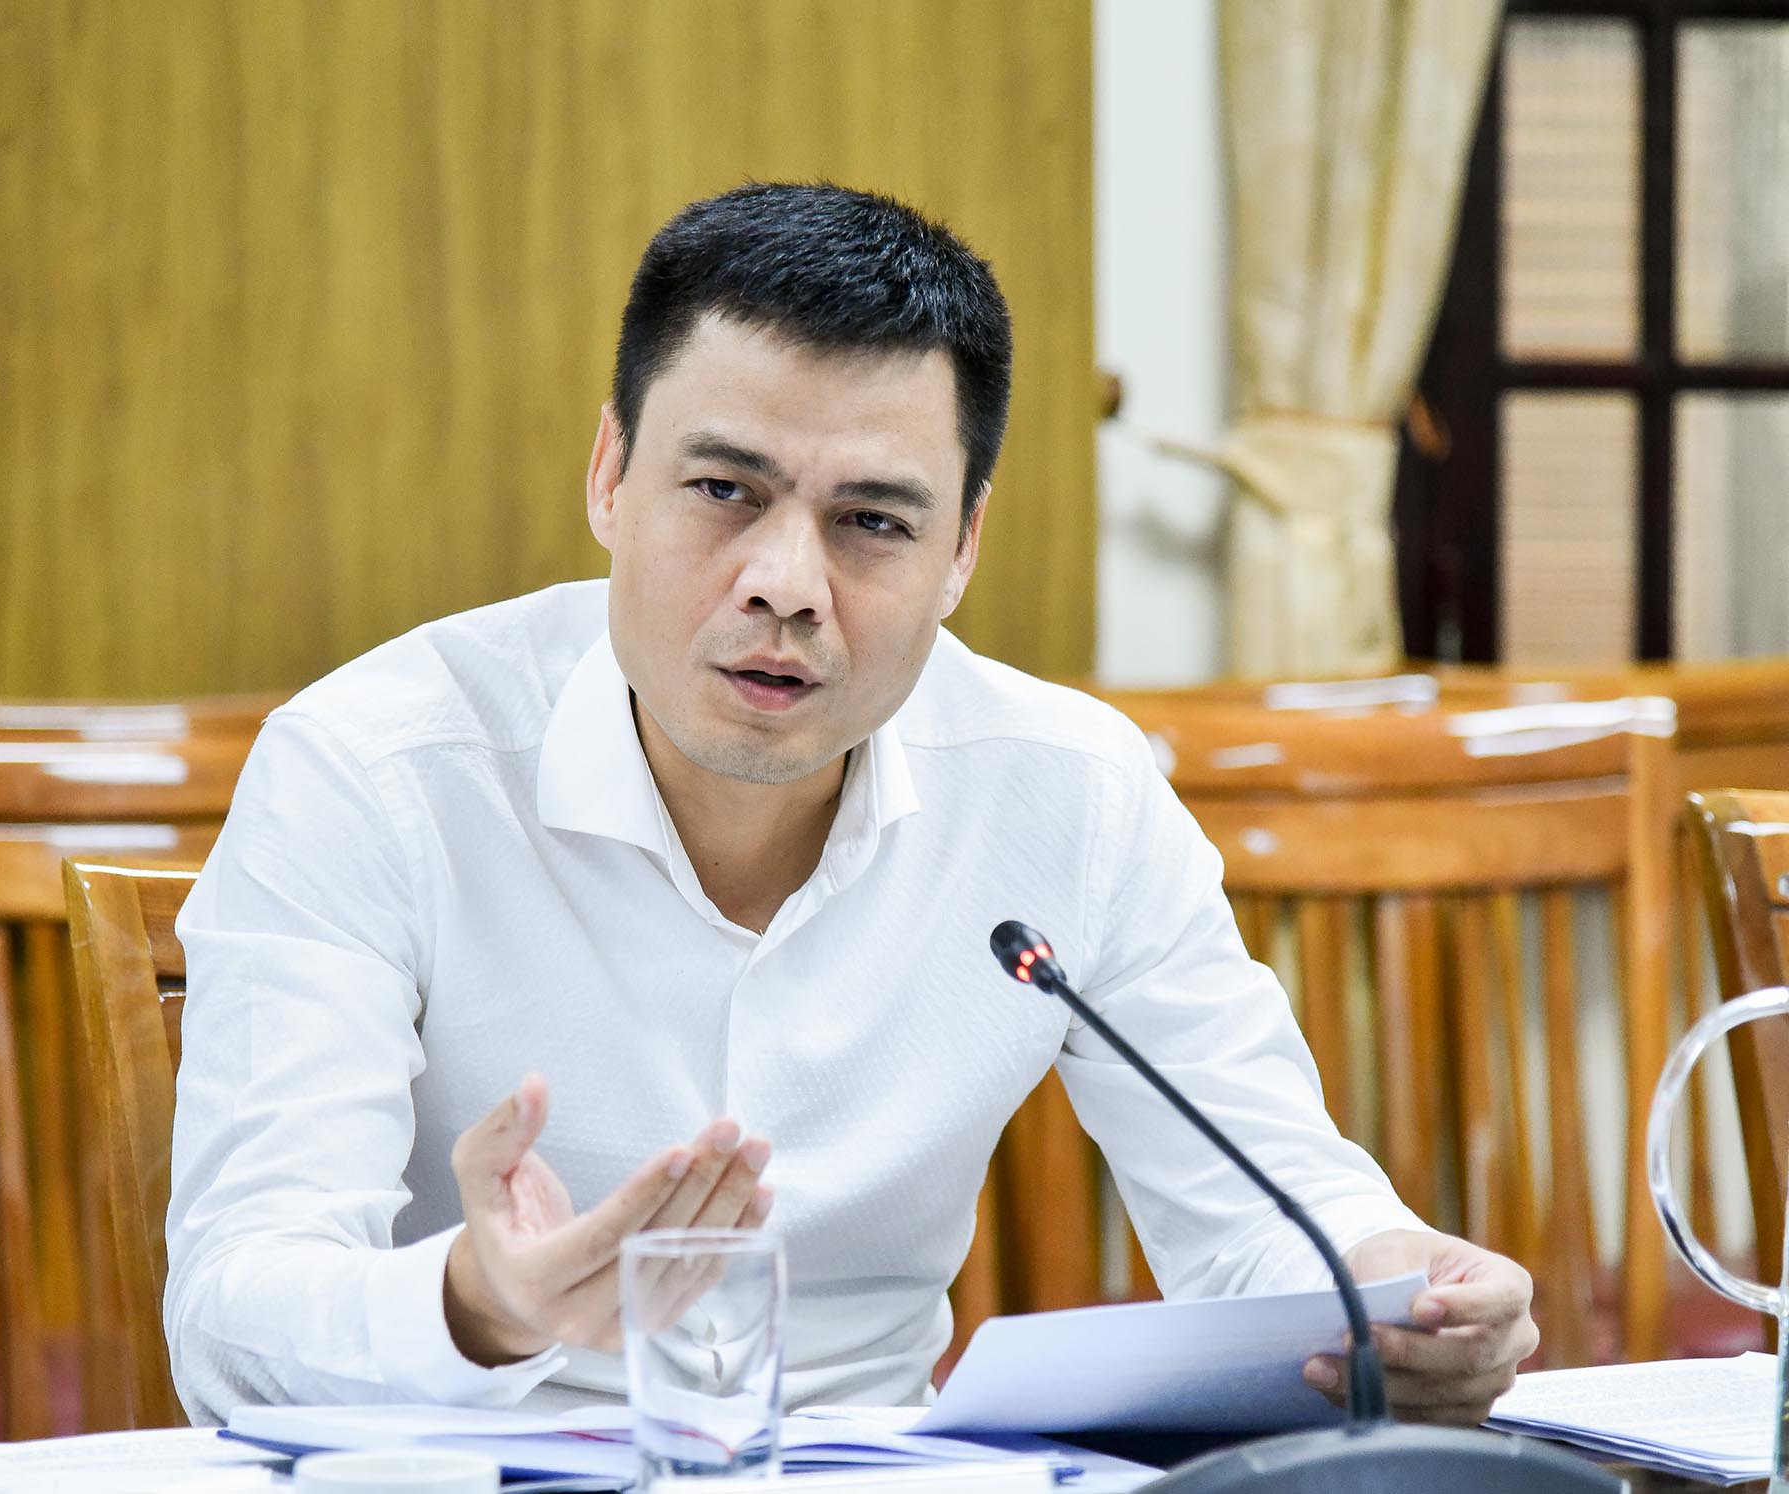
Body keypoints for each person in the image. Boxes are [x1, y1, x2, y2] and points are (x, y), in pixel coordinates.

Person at [164, 182, 1537, 1428]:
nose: (786, 584)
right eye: (724, 490)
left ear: (964, 546)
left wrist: (1400, 1287)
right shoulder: (368, 771)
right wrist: (481, 1304)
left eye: (873, 521)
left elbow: (1264, 1214)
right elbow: (235, 1310)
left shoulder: (1073, 791)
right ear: (610, 476)